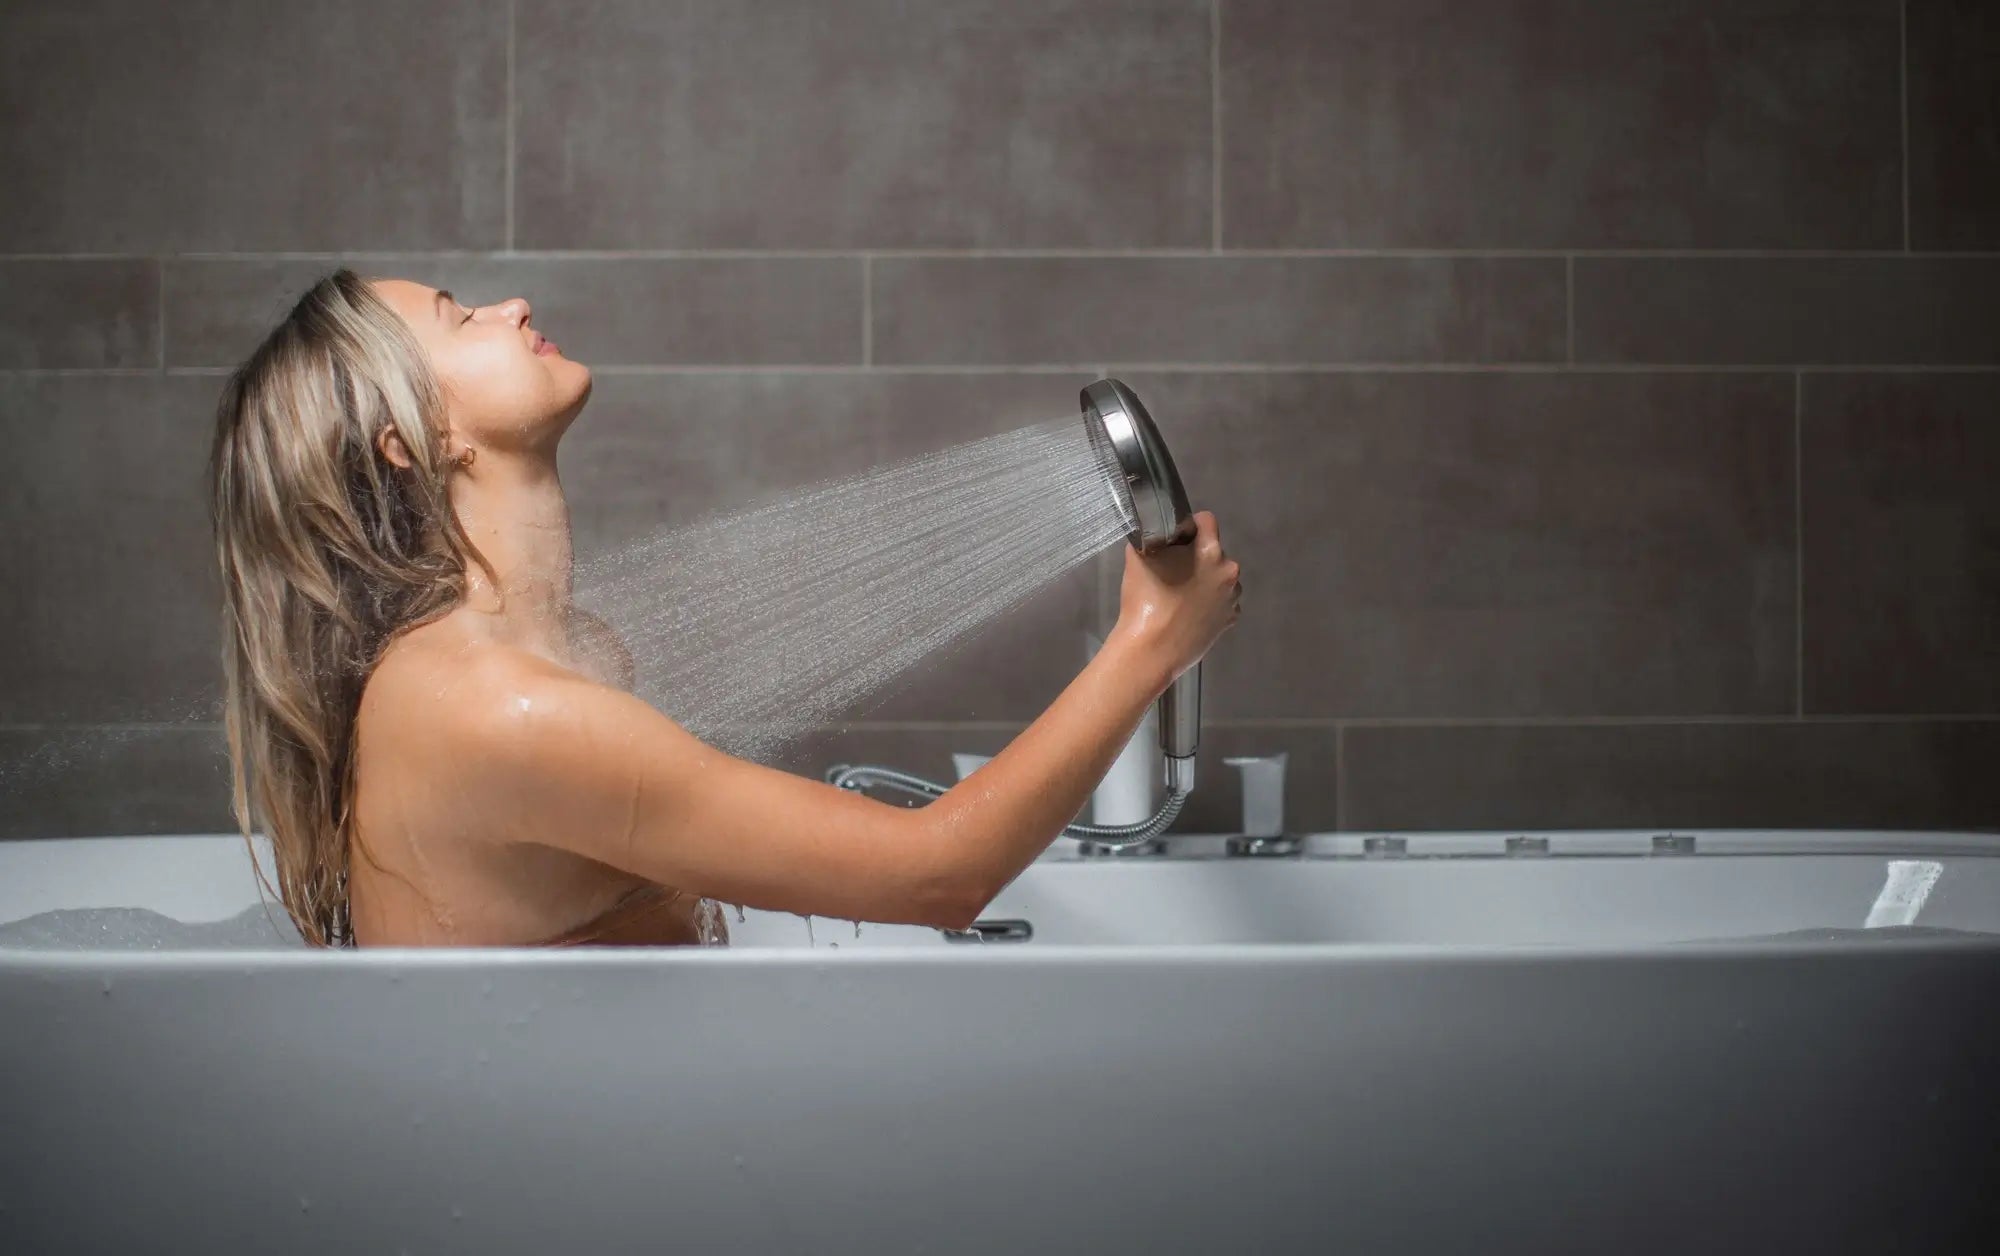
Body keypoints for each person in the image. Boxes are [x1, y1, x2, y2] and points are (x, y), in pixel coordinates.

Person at [207, 270, 1242, 948]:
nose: (511, 304)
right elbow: (941, 874)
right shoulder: (503, 713)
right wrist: (1150, 638)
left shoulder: (563, 659)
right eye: (458, 315)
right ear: (412, 440)